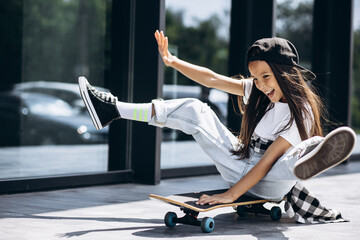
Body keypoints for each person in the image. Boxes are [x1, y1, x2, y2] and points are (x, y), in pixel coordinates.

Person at [78, 30, 356, 223]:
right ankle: (112, 110)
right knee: (195, 109)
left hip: (274, 181)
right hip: (242, 166)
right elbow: (212, 79)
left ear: (285, 73)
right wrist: (173, 62)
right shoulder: (258, 92)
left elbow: (266, 163)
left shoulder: (302, 110)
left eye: (266, 77)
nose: (260, 85)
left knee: (286, 159)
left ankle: (311, 155)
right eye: (255, 78)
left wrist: (229, 196)